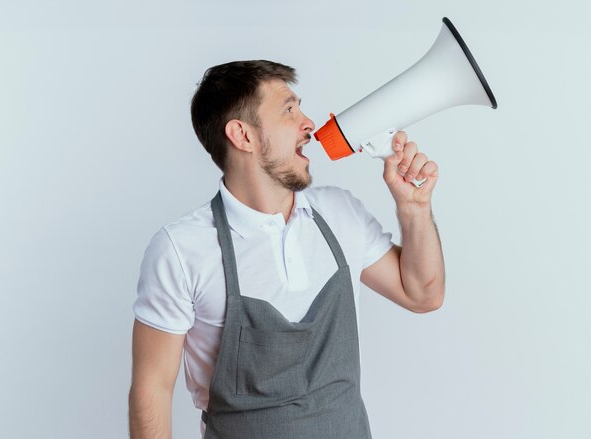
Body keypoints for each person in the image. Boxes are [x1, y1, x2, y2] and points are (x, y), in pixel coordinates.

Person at [128, 60, 445, 439]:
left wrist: (415, 208)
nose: (308, 123)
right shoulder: (180, 250)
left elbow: (423, 295)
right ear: (242, 135)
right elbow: (152, 389)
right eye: (289, 109)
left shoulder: (341, 213)